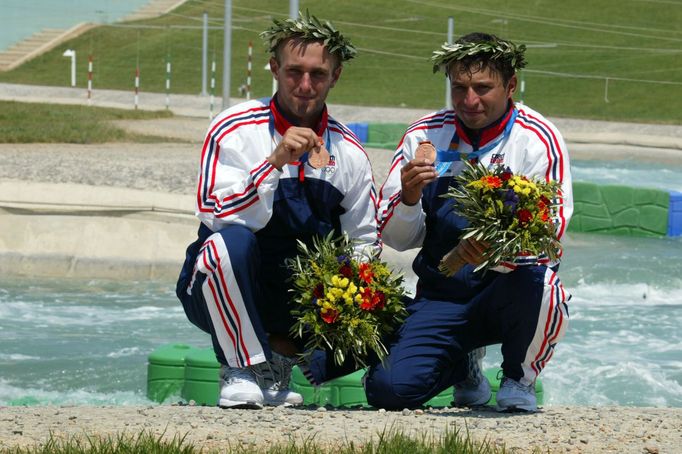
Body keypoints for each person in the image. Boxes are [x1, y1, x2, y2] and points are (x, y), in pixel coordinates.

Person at [175, 12, 379, 409]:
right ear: (274, 69)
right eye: (294, 72)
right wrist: (273, 163)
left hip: (297, 302)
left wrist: (342, 302)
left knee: (396, 313)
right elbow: (218, 216)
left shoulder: (349, 151)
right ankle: (240, 368)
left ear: (335, 77)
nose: (305, 85)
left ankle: (280, 364)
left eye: (318, 74)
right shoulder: (233, 128)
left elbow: (364, 240)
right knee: (225, 245)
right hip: (220, 287)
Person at [365, 32, 573, 412]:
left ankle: (518, 377)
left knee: (546, 285)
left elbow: (550, 237)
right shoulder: (423, 136)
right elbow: (396, 238)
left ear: (510, 85)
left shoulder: (537, 139)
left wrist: (486, 252)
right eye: (459, 88)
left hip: (509, 290)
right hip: (443, 294)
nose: (469, 100)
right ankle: (462, 364)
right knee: (388, 391)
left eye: (482, 87)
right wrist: (409, 199)